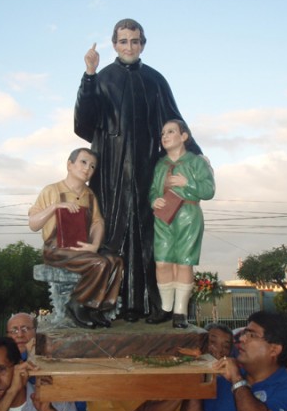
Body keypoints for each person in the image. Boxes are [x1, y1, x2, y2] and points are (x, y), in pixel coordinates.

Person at [74, 18, 202, 323]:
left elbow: (174, 120)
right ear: (114, 45)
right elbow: (83, 122)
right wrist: (89, 75)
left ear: (142, 44)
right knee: (111, 232)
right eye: (122, 41)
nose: (128, 46)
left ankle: (157, 307)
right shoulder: (101, 78)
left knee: (150, 236)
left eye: (134, 41)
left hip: (148, 170)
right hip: (110, 171)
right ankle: (101, 306)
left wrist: (196, 154)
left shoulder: (155, 80)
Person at [28, 148, 123, 329]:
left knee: (115, 261)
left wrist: (94, 245)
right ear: (69, 165)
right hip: (56, 248)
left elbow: (97, 222)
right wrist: (56, 207)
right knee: (99, 264)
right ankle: (78, 303)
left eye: (92, 166)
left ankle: (98, 308)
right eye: (83, 162)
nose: (88, 168)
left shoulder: (90, 196)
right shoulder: (52, 190)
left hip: (81, 248)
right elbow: (33, 224)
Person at [147, 120, 215, 328]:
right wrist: (153, 200)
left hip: (187, 214)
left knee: (184, 263)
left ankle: (180, 312)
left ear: (184, 137)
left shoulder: (196, 162)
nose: (165, 136)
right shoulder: (160, 164)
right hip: (163, 216)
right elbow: (152, 190)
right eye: (163, 133)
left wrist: (188, 184)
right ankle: (166, 308)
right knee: (163, 261)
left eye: (171, 132)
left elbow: (209, 190)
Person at [127, 323, 233, 411]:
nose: (218, 350)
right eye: (212, 342)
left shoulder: (229, 384)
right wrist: (189, 382)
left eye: (226, 346)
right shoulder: (178, 373)